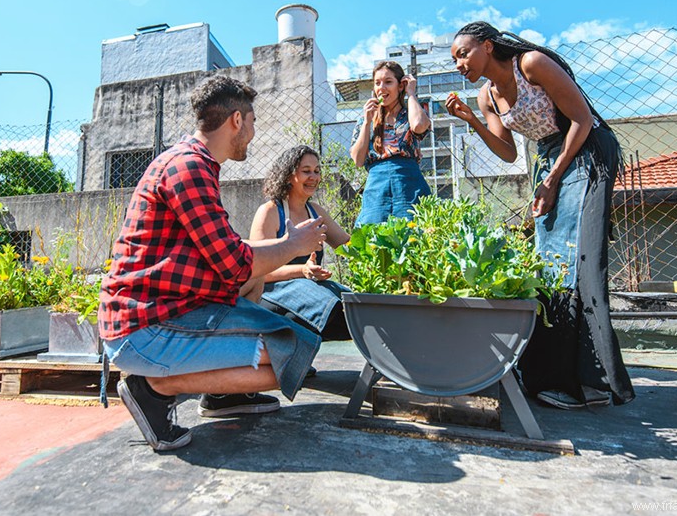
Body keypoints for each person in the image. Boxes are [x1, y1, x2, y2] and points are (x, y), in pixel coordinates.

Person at [98, 76, 329, 451]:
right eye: (252, 123)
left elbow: (234, 263)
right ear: (236, 120)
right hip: (144, 328)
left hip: (167, 307)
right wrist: (293, 244)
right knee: (295, 350)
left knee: (258, 286)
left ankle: (223, 397)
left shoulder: (193, 163)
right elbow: (235, 265)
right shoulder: (188, 168)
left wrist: (279, 252)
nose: (253, 133)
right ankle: (151, 387)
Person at [445, 21, 635, 410]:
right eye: (454, 60)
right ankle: (551, 377)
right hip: (548, 159)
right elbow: (509, 153)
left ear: (486, 45)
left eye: (463, 54)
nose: (459, 64)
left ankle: (591, 386)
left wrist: (552, 178)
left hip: (586, 148)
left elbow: (582, 119)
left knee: (576, 257)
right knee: (549, 264)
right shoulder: (487, 96)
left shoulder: (531, 63)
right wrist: (472, 120)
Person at [249, 145, 351, 342]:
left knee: (353, 304)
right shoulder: (270, 212)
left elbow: (348, 246)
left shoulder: (316, 211)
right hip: (271, 293)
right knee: (328, 305)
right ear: (288, 176)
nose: (313, 177)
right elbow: (257, 271)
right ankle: (289, 354)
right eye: (306, 171)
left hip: (308, 286)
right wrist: (303, 270)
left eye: (317, 171)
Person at [350, 61, 432, 225]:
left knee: (414, 235)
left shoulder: (412, 112)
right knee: (374, 237)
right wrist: (367, 122)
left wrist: (411, 93)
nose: (381, 88)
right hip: (376, 186)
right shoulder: (366, 118)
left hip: (409, 182)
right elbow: (358, 160)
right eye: (377, 83)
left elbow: (419, 125)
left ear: (400, 86)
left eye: (388, 82)